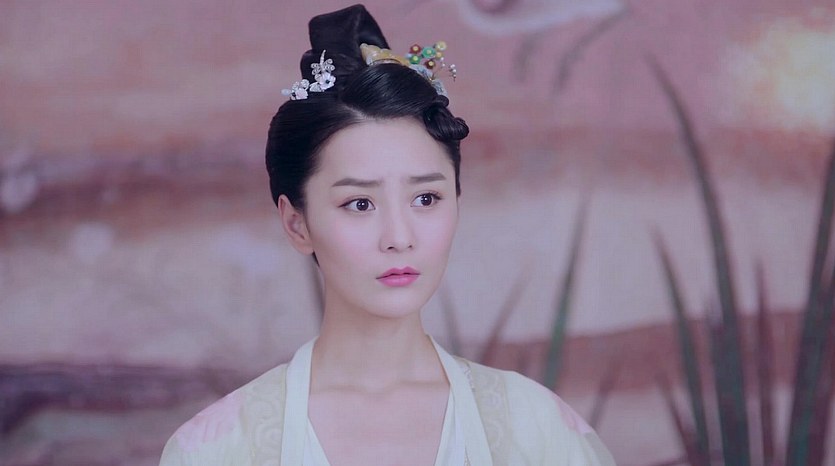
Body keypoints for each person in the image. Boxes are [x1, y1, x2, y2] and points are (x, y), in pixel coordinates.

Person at [159, 4, 615, 465]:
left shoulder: (534, 427)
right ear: (297, 223)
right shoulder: (219, 448)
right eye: (360, 204)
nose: (399, 237)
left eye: (426, 198)